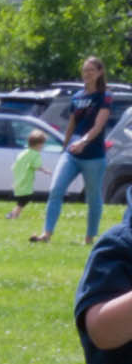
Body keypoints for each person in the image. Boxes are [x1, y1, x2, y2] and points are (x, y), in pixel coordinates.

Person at [43, 59, 119, 252]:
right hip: (71, 154)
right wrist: (66, 144)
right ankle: (47, 234)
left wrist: (83, 141)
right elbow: (72, 123)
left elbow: (98, 125)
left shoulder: (105, 96)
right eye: (85, 70)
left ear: (100, 72)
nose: (87, 74)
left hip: (93, 156)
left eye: (91, 70)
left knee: (93, 198)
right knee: (56, 189)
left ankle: (89, 238)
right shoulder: (77, 96)